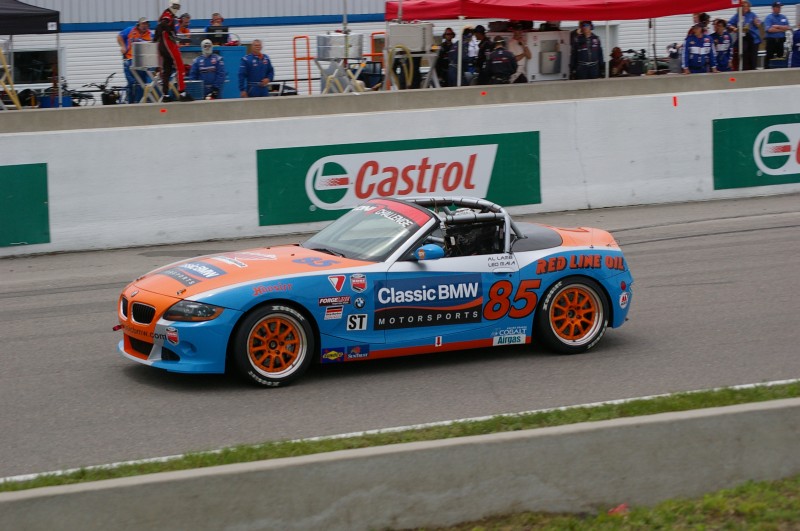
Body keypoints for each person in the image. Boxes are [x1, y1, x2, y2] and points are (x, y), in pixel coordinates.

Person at [154, 1, 192, 101]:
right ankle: (182, 92)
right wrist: (170, 33)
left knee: (167, 69)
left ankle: (165, 95)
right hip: (168, 43)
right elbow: (163, 24)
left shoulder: (168, 14)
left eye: (178, 6)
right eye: (175, 6)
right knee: (180, 66)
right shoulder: (168, 15)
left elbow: (161, 25)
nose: (176, 8)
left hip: (163, 45)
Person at [117, 17, 151, 104]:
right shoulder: (130, 30)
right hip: (129, 60)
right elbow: (119, 36)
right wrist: (123, 46)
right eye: (143, 24)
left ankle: (139, 103)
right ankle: (129, 102)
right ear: (138, 24)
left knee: (142, 84)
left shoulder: (150, 34)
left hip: (143, 63)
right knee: (131, 83)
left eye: (146, 24)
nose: (145, 26)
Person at [728, 0, 761, 71]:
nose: (745, 8)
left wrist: (757, 23)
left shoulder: (752, 14)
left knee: (753, 55)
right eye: (743, 6)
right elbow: (729, 24)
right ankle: (745, 68)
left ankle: (753, 68)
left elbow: (758, 23)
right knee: (744, 53)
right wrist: (734, 28)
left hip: (753, 37)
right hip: (743, 37)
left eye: (747, 6)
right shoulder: (737, 16)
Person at [764, 1, 790, 68]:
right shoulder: (769, 17)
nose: (779, 8)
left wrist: (777, 26)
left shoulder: (783, 17)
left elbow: (787, 27)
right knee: (769, 56)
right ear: (773, 8)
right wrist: (781, 29)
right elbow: (769, 29)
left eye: (780, 7)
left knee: (780, 56)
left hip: (780, 41)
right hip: (771, 40)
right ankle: (767, 69)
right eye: (778, 7)